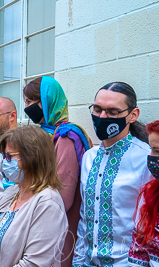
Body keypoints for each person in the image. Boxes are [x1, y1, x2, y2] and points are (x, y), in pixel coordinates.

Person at [73, 82, 151, 266]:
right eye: (97, 109)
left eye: (112, 112)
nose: (102, 117)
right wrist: (78, 260)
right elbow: (85, 217)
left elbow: (150, 223)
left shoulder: (146, 158)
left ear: (133, 115)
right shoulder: (89, 157)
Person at [23, 76, 93, 266]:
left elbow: (64, 196)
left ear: (47, 101)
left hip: (57, 223)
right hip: (42, 217)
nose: (27, 108)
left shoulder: (65, 137)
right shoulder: (46, 134)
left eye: (30, 102)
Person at [0, 126, 68, 266]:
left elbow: (34, 263)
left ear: (31, 157)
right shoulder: (12, 192)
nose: (4, 162)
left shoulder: (48, 202)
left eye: (9, 156)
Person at [128, 120, 159, 266]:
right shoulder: (149, 194)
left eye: (157, 151)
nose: (152, 156)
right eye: (152, 149)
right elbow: (138, 251)